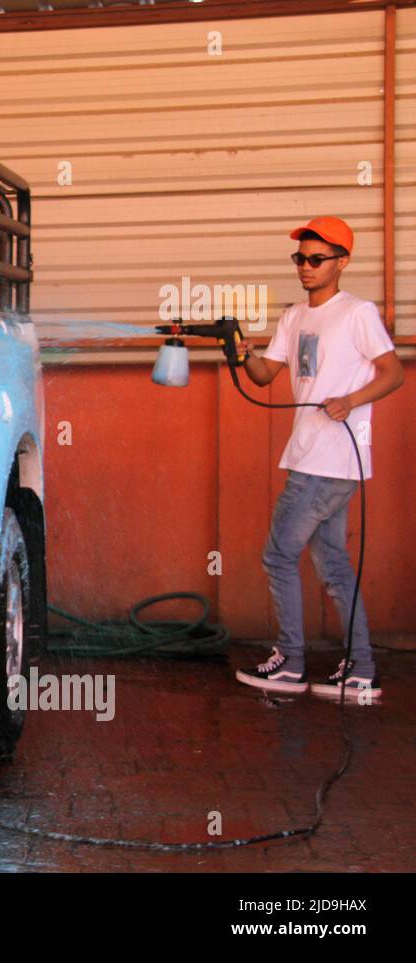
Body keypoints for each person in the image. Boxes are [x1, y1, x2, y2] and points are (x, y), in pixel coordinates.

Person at [235, 216, 404, 700]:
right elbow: (266, 375)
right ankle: (361, 671)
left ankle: (289, 663)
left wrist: (351, 399)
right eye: (300, 259)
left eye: (316, 259)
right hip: (309, 454)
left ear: (342, 262)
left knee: (279, 555)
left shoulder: (357, 313)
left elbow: (392, 374)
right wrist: (240, 351)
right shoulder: (294, 316)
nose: (305, 267)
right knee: (332, 563)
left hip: (331, 461)